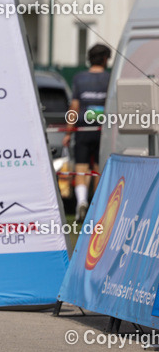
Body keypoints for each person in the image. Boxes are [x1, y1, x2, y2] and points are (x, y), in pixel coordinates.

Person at [63, 44, 112, 222]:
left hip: (82, 127)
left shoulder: (79, 78)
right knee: (98, 169)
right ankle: (95, 207)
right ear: (106, 59)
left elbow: (74, 106)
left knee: (81, 167)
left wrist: (68, 132)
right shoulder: (110, 78)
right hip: (103, 129)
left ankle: (81, 202)